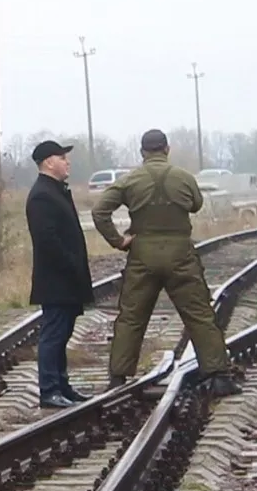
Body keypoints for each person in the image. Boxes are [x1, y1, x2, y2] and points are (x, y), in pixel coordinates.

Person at [91, 128, 241, 397]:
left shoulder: (129, 180)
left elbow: (99, 210)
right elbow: (195, 205)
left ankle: (118, 378)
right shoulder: (183, 178)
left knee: (132, 317)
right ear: (167, 149)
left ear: (142, 151)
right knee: (199, 314)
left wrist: (118, 240)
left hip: (142, 255)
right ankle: (219, 376)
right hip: (180, 254)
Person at [25, 140, 96, 409]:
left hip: (66, 279)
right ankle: (49, 389)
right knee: (53, 334)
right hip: (55, 280)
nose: (68, 162)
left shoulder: (56, 190)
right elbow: (47, 240)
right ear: (48, 162)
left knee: (63, 332)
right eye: (62, 157)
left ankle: (62, 385)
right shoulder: (42, 194)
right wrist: (71, 264)